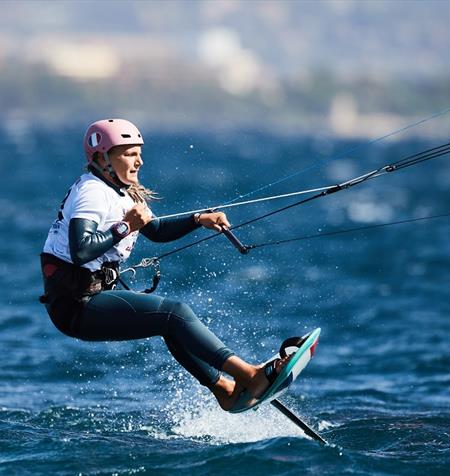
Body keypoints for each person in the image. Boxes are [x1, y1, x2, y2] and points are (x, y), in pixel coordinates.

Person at [39, 118, 284, 411]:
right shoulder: (93, 191)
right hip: (75, 304)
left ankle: (225, 389)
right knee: (175, 313)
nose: (139, 161)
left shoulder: (119, 190)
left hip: (88, 298)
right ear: (102, 158)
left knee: (169, 323)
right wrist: (124, 227)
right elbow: (81, 250)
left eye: (139, 153)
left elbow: (155, 231)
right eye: (129, 153)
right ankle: (250, 376)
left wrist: (197, 220)